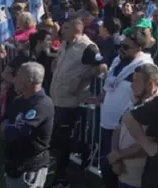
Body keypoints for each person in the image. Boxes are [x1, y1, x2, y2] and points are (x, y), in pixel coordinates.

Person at [49, 17, 107, 188]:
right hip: (57, 97)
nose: (62, 30)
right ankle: (68, 166)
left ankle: (64, 174)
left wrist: (82, 78)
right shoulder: (66, 44)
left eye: (66, 28)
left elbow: (102, 66)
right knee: (58, 139)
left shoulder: (87, 47)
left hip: (71, 101)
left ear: (77, 30)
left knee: (60, 138)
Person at [97, 27, 157, 188]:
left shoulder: (144, 66)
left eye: (126, 47)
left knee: (120, 172)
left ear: (138, 47)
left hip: (128, 130)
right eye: (120, 46)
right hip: (110, 125)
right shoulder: (118, 61)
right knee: (107, 168)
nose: (121, 50)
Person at [0, 62, 54, 188]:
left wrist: (6, 128)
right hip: (14, 164)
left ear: (29, 81)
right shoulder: (18, 100)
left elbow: (19, 131)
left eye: (18, 76)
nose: (15, 79)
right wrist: (6, 128)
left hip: (30, 169)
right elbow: (0, 125)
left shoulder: (42, 104)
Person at [110, 63, 158, 188]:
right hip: (123, 174)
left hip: (139, 179)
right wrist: (115, 155)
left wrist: (119, 155)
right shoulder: (132, 102)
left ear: (150, 84)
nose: (132, 86)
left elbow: (148, 145)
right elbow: (117, 129)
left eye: (136, 81)